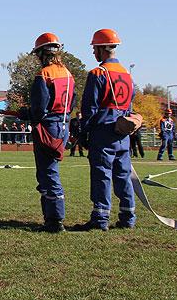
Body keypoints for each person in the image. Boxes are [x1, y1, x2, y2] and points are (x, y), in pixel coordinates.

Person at [79, 29, 136, 231]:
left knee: (102, 174)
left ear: (102, 49)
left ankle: (100, 219)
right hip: (123, 133)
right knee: (123, 176)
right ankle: (128, 217)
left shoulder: (98, 73)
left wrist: (83, 131)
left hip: (102, 132)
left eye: (95, 48)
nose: (94, 53)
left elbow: (90, 108)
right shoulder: (127, 75)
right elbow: (130, 105)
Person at [21, 32, 76, 233]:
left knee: (48, 173)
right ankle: (51, 217)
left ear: (42, 54)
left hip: (48, 126)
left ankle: (54, 220)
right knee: (49, 172)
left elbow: (38, 109)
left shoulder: (44, 74)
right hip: (63, 126)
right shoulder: (69, 75)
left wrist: (23, 113)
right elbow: (72, 104)